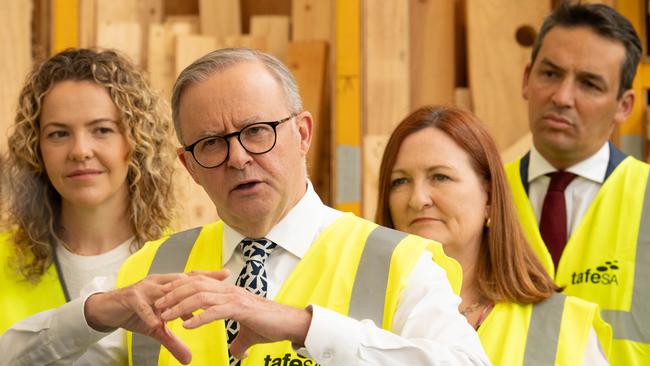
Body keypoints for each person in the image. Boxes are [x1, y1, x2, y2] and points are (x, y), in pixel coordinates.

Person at [71, 48, 491, 365]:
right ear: (189, 166)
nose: (238, 158)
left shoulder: (395, 262)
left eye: (257, 131)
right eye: (212, 143)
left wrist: (307, 327)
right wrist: (91, 313)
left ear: (303, 133)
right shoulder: (150, 270)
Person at [375, 105, 612, 365]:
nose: (418, 199)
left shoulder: (563, 328)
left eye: (440, 177)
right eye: (400, 181)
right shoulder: (359, 311)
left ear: (489, 196)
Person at [0, 48, 177, 364]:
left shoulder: (179, 260)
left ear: (136, 140)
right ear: (36, 148)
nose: (80, 150)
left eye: (102, 130)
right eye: (59, 134)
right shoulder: (3, 260)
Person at [506, 3, 650, 364]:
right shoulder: (485, 196)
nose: (562, 97)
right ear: (526, 79)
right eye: (550, 74)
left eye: (589, 84)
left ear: (624, 106)